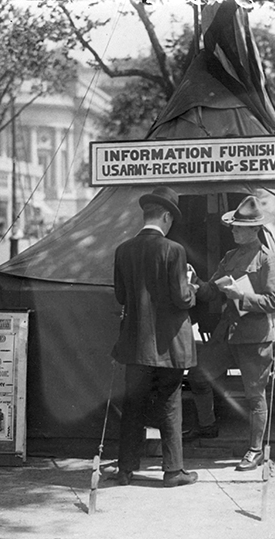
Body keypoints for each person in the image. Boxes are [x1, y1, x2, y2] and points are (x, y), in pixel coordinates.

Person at [185, 195, 275, 472]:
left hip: (254, 337)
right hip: (227, 333)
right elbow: (211, 290)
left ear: (254, 229)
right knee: (198, 376)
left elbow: (274, 302)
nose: (234, 230)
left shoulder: (268, 260)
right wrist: (196, 283)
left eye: (239, 227)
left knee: (254, 396)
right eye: (234, 226)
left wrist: (241, 296)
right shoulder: (230, 257)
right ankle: (207, 426)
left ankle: (255, 450)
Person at [111, 186, 199, 488]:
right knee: (169, 403)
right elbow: (181, 299)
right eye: (170, 220)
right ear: (164, 216)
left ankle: (125, 469)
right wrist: (191, 285)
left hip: (135, 345)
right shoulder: (174, 251)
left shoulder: (123, 250)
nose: (171, 224)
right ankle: (173, 471)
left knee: (133, 404)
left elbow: (122, 297)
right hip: (169, 345)